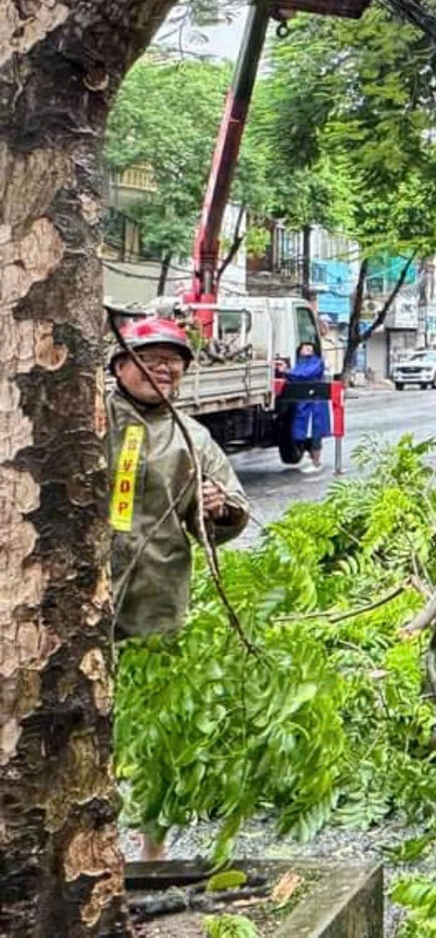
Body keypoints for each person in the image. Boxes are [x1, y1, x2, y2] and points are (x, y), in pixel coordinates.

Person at [107, 315, 252, 861]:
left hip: (157, 601)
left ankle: (151, 845)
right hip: (79, 604)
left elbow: (227, 515)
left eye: (173, 361)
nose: (162, 369)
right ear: (121, 365)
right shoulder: (89, 415)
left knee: (153, 727)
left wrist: (221, 510)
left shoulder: (193, 436)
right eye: (150, 357)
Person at [286, 340, 331, 474]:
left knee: (314, 433)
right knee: (301, 433)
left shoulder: (316, 362)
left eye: (310, 349)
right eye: (305, 348)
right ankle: (312, 458)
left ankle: (316, 462)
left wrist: (287, 372)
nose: (307, 350)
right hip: (303, 403)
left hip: (314, 404)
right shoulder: (299, 362)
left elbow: (304, 374)